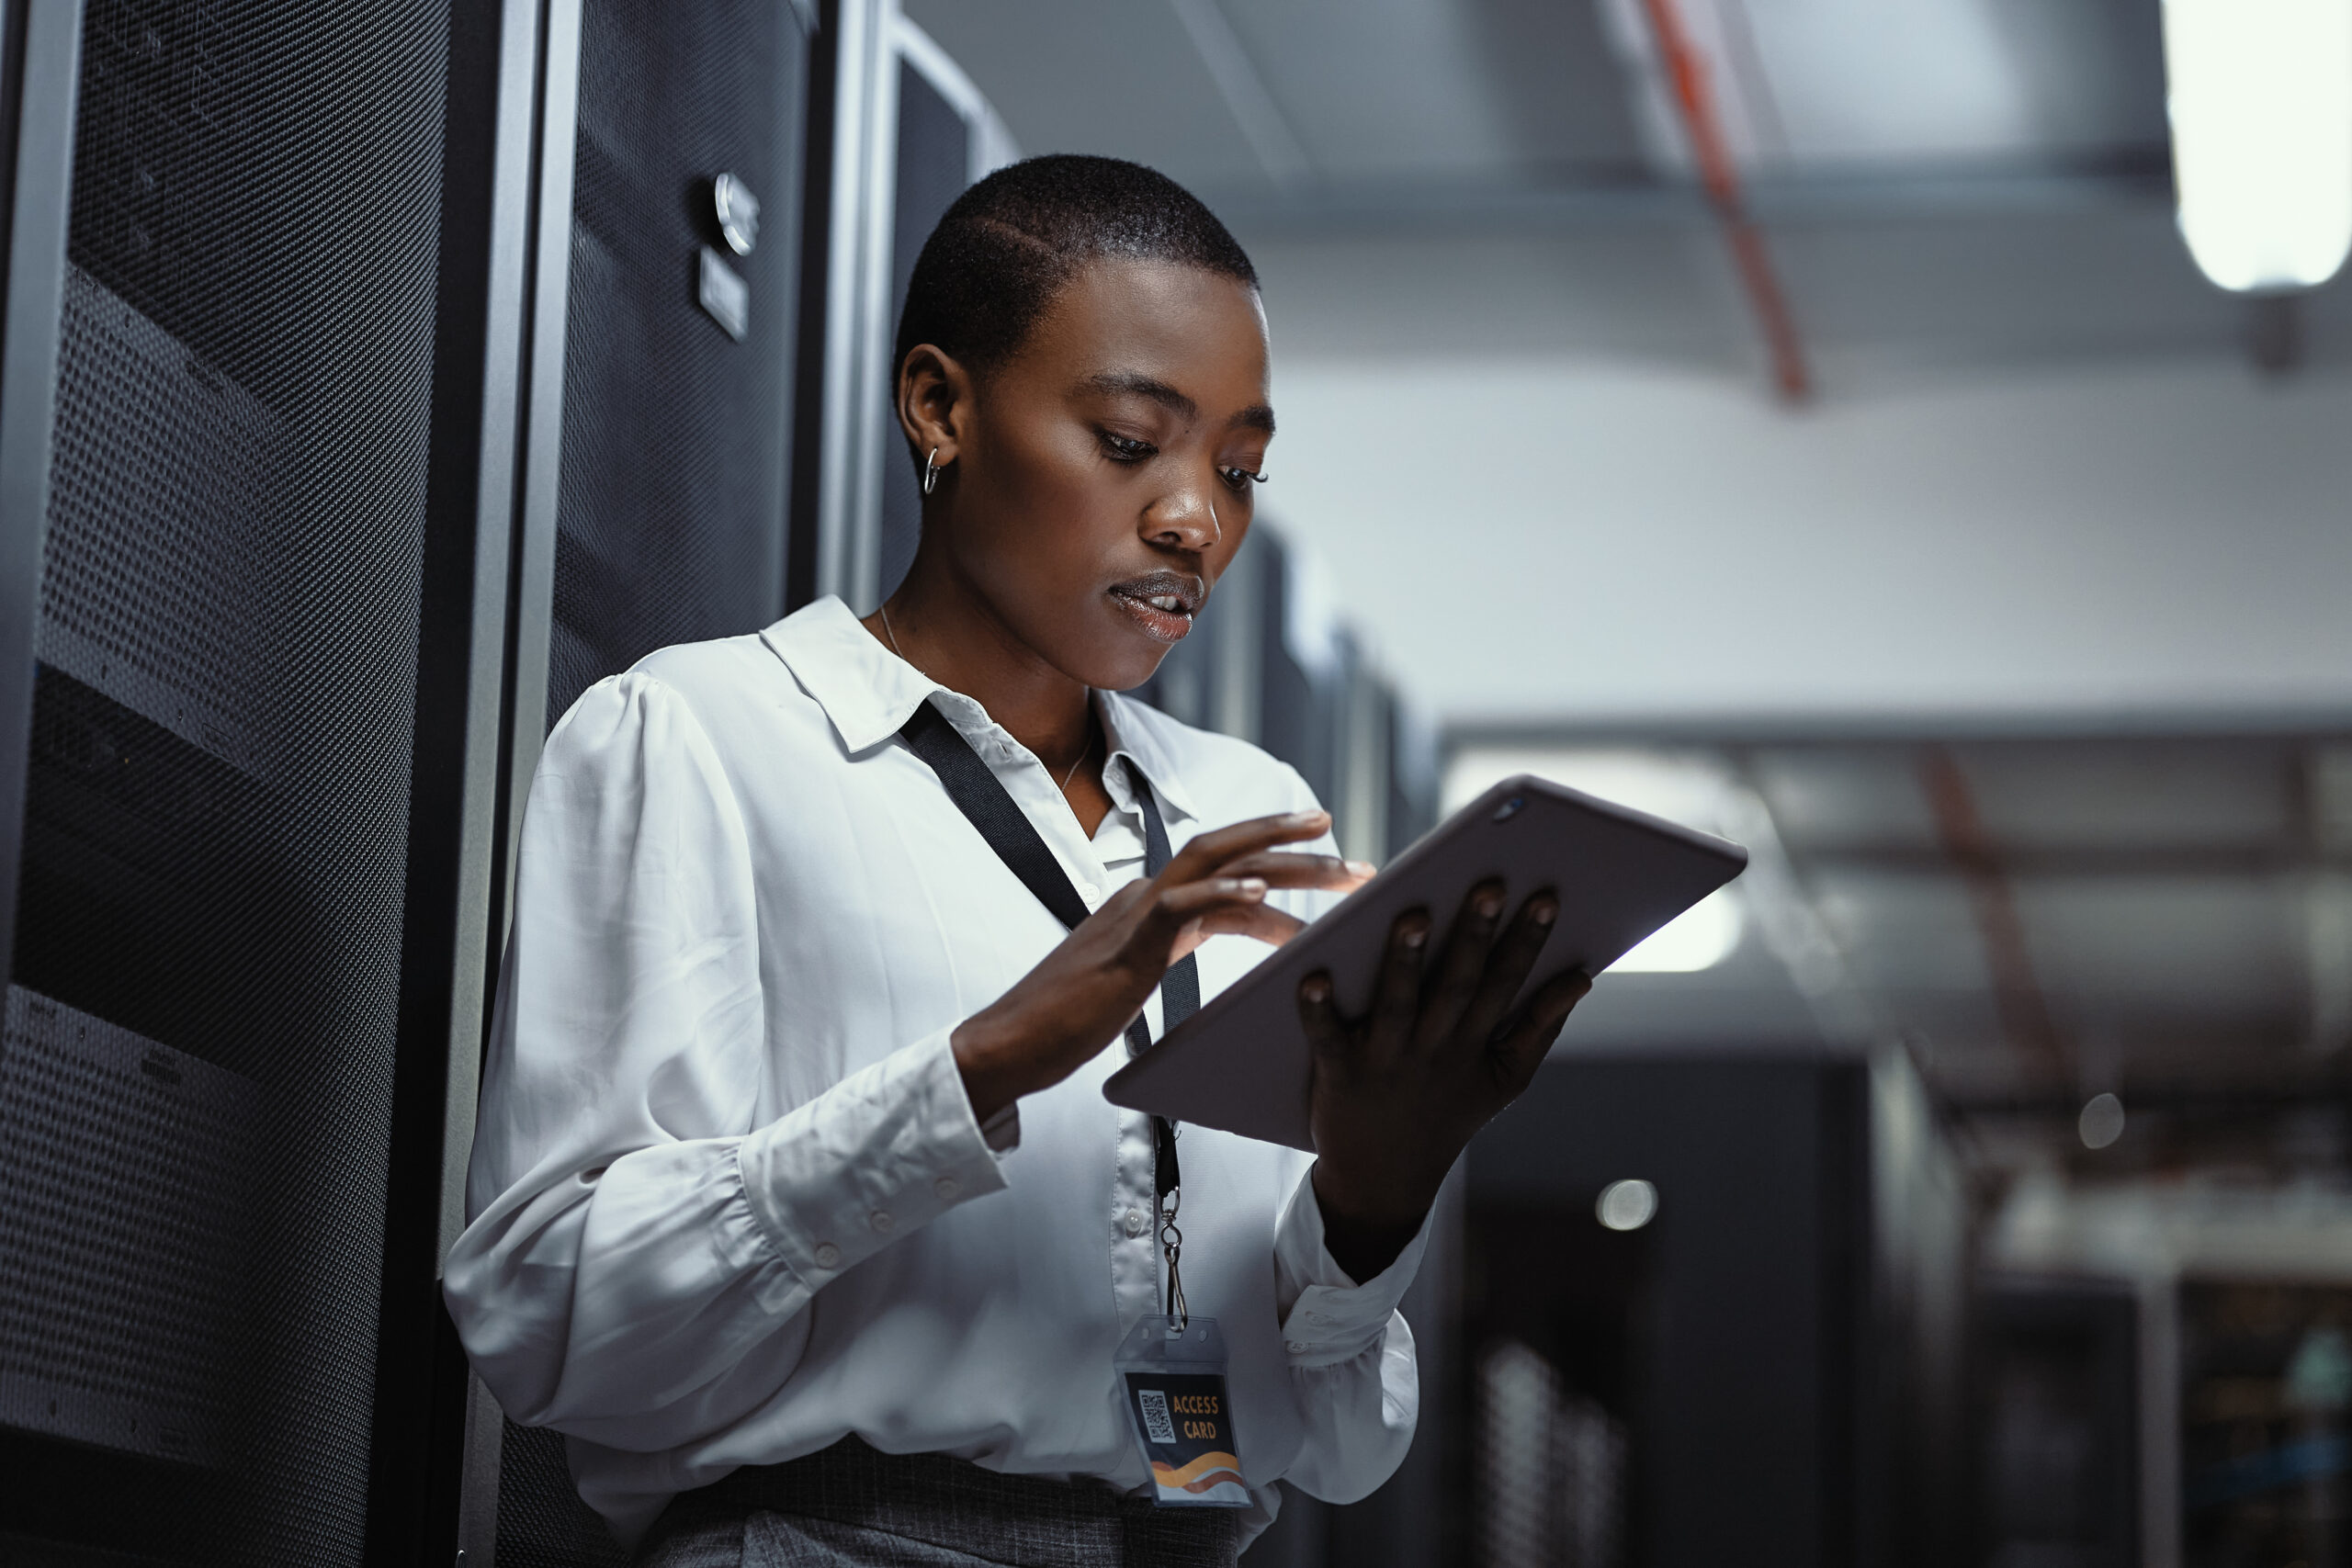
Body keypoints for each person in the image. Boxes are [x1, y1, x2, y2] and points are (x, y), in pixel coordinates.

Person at [445, 153, 1589, 1568]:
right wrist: (982, 1064)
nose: (1196, 521)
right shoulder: (700, 738)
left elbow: (1343, 1444)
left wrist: (1375, 1198)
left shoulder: (1255, 809)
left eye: (1238, 470)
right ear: (942, 406)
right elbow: (553, 1325)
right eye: (1129, 443)